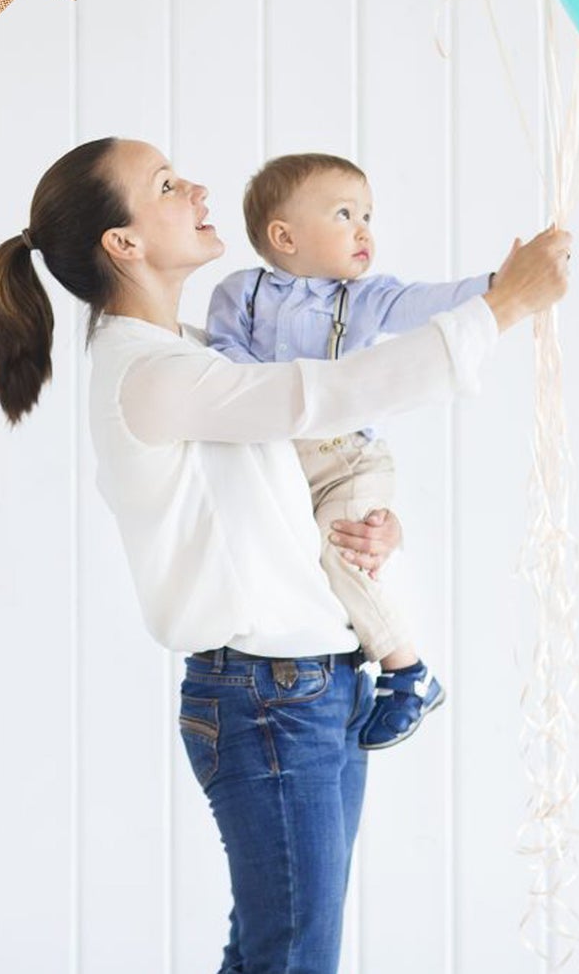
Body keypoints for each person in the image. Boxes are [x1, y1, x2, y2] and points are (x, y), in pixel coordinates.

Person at [0, 137, 571, 974]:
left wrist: (361, 518)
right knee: (291, 960)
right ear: (124, 242)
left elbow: (276, 471)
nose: (195, 187)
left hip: (314, 683)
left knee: (275, 954)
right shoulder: (145, 371)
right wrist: (500, 308)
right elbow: (316, 394)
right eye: (164, 184)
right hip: (266, 698)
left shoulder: (193, 353)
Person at [206, 151, 515, 751]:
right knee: (301, 556)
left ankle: (406, 672)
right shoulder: (239, 295)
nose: (364, 229)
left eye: (368, 215)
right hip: (281, 461)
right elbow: (225, 363)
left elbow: (429, 302)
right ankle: (338, 666)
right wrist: (278, 399)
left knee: (342, 547)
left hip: (348, 458)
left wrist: (498, 288)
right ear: (284, 235)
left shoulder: (365, 299)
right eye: (345, 213)